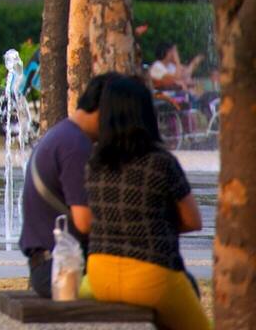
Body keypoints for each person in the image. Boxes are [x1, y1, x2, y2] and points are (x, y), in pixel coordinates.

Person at [78, 77, 209, 330]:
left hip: (100, 274)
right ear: (146, 113)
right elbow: (194, 220)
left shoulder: (94, 163)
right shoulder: (161, 162)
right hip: (151, 276)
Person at [19, 73, 117, 298]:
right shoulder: (75, 146)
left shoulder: (63, 134)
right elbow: (84, 222)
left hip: (49, 266)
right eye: (120, 118)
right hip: (60, 270)